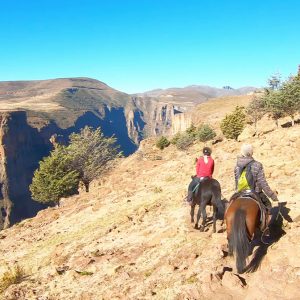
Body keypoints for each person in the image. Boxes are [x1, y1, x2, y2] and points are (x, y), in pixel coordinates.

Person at [234, 144, 278, 211]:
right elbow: (263, 183)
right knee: (268, 206)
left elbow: (237, 182)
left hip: (240, 192)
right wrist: (272, 196)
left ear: (242, 153)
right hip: (255, 192)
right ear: (251, 152)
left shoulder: (237, 166)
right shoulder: (257, 165)